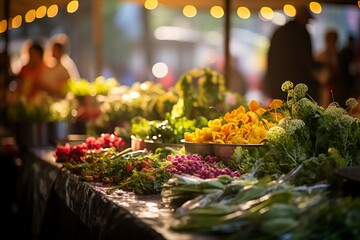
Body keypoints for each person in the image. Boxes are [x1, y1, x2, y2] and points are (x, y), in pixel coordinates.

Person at [263, 5, 320, 102]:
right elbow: (307, 61)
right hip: (297, 84)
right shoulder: (302, 33)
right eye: (307, 20)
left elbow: (270, 58)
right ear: (303, 18)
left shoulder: (279, 31)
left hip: (277, 83)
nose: (308, 23)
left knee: (280, 113)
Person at [315, 29, 340, 107]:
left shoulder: (339, 55)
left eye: (333, 40)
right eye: (329, 39)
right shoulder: (320, 55)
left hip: (338, 89)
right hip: (324, 89)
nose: (331, 42)